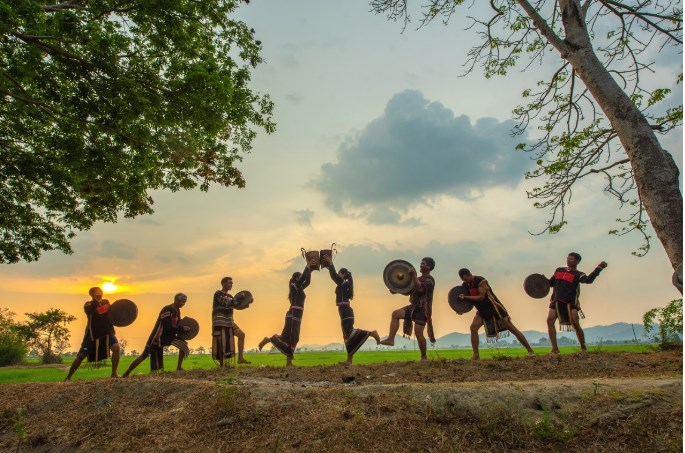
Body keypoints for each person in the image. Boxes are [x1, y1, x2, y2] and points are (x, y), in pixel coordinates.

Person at [456, 268, 536, 360]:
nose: (465, 281)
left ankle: (530, 351)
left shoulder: (481, 281)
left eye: (466, 279)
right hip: (482, 311)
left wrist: (465, 297)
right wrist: (461, 309)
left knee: (512, 329)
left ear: (469, 274)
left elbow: (481, 297)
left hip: (494, 308)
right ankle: (476, 355)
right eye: (463, 280)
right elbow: (467, 302)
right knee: (473, 328)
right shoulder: (465, 285)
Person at [322, 255, 380, 365]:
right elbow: (334, 275)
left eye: (340, 274)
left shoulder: (344, 283)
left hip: (346, 311)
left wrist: (330, 263)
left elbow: (333, 276)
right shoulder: (345, 284)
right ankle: (349, 360)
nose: (338, 275)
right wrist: (328, 266)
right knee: (347, 336)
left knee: (350, 333)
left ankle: (372, 333)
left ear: (343, 275)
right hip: (344, 311)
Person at [546, 252, 608, 354]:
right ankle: (555, 349)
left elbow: (588, 280)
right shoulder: (558, 270)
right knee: (549, 321)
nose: (568, 260)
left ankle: (583, 347)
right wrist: (540, 280)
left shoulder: (578, 274)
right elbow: (550, 283)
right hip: (556, 301)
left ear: (577, 261)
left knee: (575, 323)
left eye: (571, 259)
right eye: (568, 258)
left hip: (570, 303)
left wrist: (599, 268)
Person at [379, 257, 437, 361]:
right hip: (413, 306)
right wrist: (396, 289)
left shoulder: (429, 280)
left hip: (423, 310)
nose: (420, 265)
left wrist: (413, 276)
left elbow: (420, 289)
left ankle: (424, 357)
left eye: (423, 264)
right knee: (395, 314)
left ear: (428, 266)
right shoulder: (418, 279)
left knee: (419, 333)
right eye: (420, 263)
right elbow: (409, 291)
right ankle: (391, 339)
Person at [122, 293, 191, 377]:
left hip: (169, 336)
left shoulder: (177, 311)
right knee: (144, 355)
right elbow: (167, 327)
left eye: (185, 302)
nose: (183, 304)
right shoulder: (167, 309)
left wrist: (185, 325)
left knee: (183, 345)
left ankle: (179, 368)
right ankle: (126, 373)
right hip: (158, 337)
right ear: (177, 300)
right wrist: (182, 328)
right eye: (182, 302)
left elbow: (178, 324)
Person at [258, 266, 312, 366]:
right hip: (292, 315)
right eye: (300, 278)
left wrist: (311, 270)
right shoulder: (294, 287)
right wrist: (307, 266)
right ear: (297, 278)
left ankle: (288, 362)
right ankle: (269, 340)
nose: (302, 280)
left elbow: (307, 282)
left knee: (294, 338)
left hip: (298, 315)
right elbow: (303, 279)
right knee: (290, 337)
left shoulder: (299, 288)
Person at [65, 286, 120, 381]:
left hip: (107, 331)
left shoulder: (106, 302)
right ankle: (68, 377)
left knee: (116, 347)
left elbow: (113, 313)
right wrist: (96, 301)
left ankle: (114, 373)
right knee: (81, 356)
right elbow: (94, 310)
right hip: (93, 334)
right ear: (92, 294)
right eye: (97, 292)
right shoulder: (88, 305)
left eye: (100, 291)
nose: (99, 293)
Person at [212, 276, 251, 367]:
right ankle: (222, 364)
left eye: (232, 283)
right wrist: (238, 298)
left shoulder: (231, 297)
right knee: (222, 341)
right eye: (230, 283)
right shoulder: (218, 294)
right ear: (223, 283)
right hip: (220, 321)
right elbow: (226, 303)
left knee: (241, 335)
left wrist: (248, 302)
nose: (231, 284)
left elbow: (238, 306)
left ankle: (240, 358)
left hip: (229, 321)